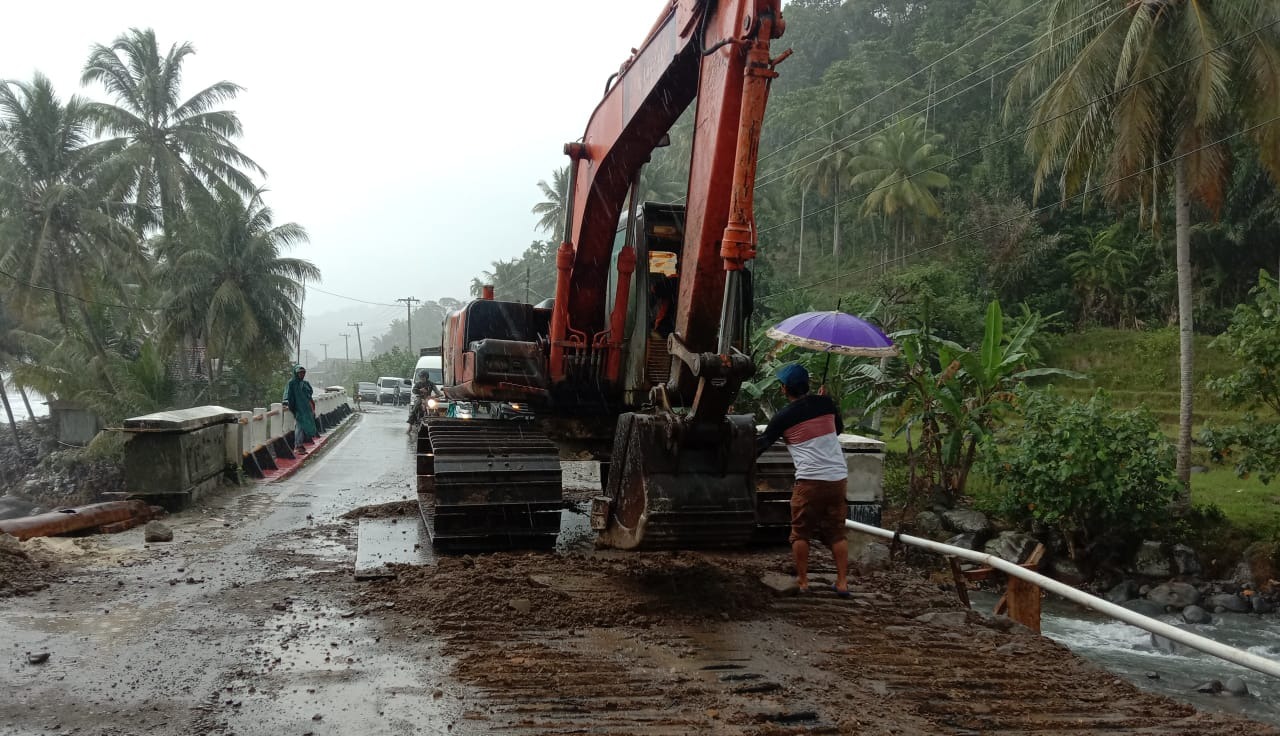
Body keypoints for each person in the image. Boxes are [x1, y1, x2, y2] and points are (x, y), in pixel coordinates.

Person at [756, 363, 850, 597]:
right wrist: (822, 404)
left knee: (800, 533)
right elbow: (837, 430)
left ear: (784, 389)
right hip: (838, 478)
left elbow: (762, 444)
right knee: (837, 533)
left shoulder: (783, 417)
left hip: (809, 482)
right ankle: (842, 583)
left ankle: (803, 581)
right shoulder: (826, 403)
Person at [284, 365, 318, 454]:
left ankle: (300, 445)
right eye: (300, 373)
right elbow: (287, 395)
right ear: (296, 373)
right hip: (298, 408)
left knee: (304, 426)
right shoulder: (291, 383)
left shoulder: (305, 383)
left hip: (306, 408)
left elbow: (309, 394)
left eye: (303, 373)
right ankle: (298, 446)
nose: (302, 374)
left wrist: (312, 406)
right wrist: (286, 402)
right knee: (299, 426)